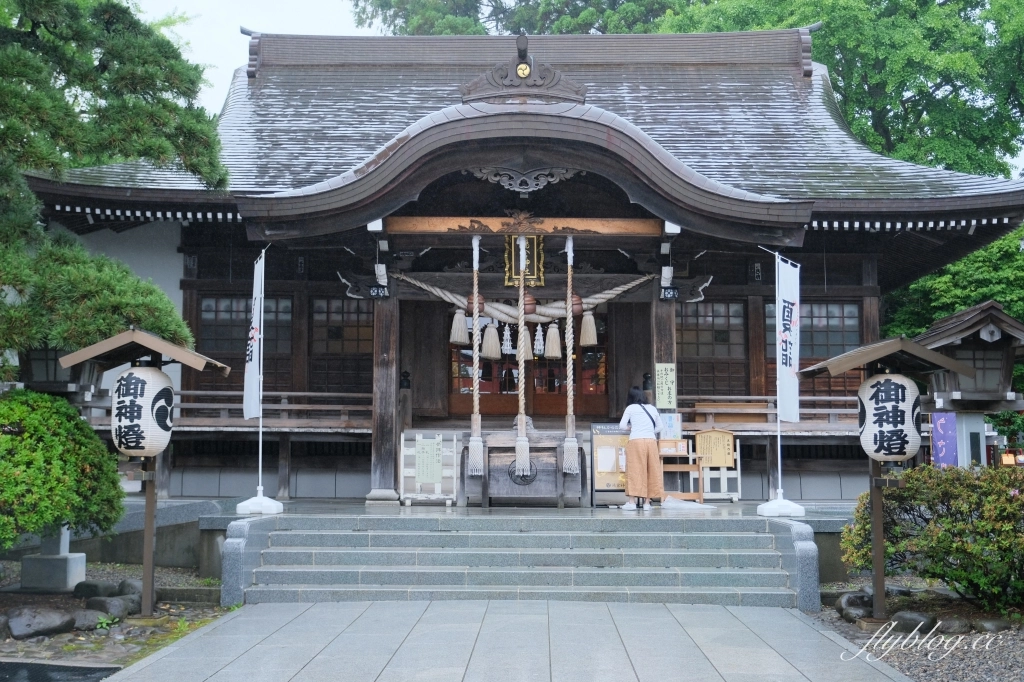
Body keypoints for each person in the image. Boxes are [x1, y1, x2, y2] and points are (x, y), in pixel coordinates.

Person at [618, 386, 663, 511]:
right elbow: (660, 427)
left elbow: (622, 426)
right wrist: (649, 431)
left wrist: (631, 428)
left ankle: (632, 502)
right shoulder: (652, 408)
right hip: (651, 441)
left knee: (635, 470)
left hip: (636, 441)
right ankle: (647, 503)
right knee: (651, 470)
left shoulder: (630, 408)